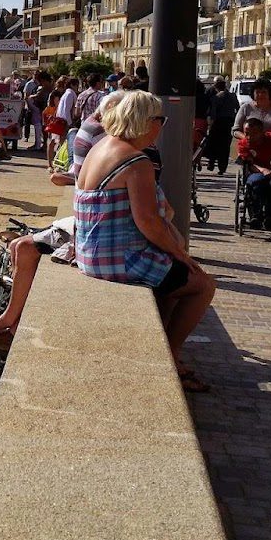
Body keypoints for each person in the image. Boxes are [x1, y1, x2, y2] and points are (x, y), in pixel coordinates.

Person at [68, 91, 216, 391]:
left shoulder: (100, 148)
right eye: (161, 120)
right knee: (202, 285)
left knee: (172, 282)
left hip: (90, 253)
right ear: (148, 122)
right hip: (118, 260)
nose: (162, 127)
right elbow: (148, 221)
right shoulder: (136, 161)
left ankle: (162, 349)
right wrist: (181, 254)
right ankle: (171, 357)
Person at [237, 118, 271, 232]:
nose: (249, 137)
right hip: (255, 172)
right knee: (257, 182)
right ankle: (255, 215)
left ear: (262, 132)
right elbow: (249, 163)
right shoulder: (243, 143)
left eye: (254, 133)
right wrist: (263, 170)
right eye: (246, 133)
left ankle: (270, 216)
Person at [204, 78, 238, 174]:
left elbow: (213, 113)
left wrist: (210, 125)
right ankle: (222, 167)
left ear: (216, 87)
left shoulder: (216, 98)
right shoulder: (233, 96)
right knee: (225, 146)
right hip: (229, 123)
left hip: (217, 123)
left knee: (213, 143)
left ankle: (211, 162)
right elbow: (238, 108)